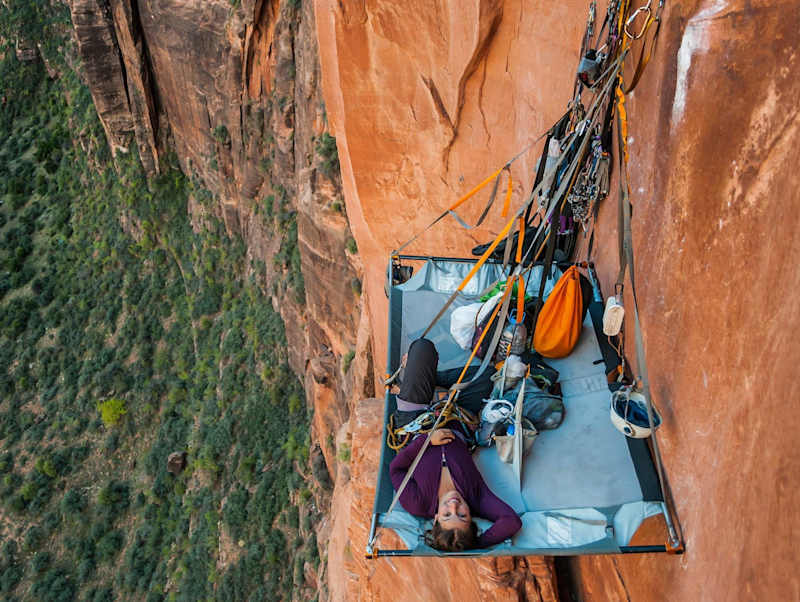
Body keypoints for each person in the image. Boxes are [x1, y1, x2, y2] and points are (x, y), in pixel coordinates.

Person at [389, 338, 522, 551]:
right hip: (455, 415)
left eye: (447, 515)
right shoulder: (478, 499)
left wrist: (427, 441)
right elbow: (511, 521)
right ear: (472, 518)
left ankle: (425, 378)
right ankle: (433, 379)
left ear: (434, 520)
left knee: (422, 348)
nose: (454, 505)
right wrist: (475, 543)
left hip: (414, 422)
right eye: (462, 516)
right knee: (488, 376)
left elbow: (396, 469)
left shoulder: (418, 504)